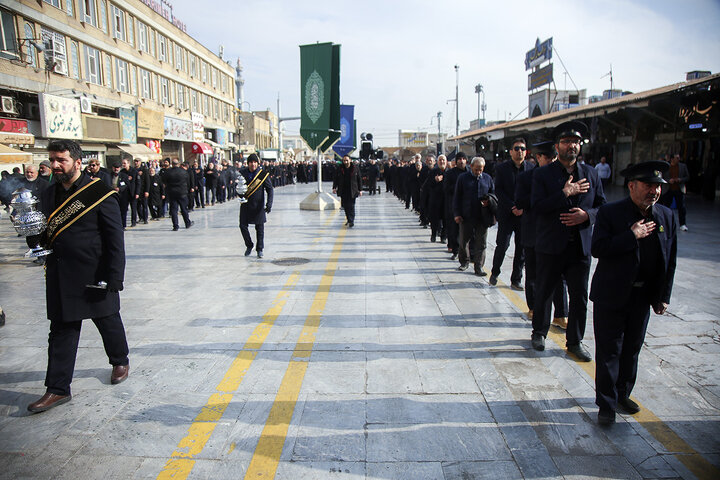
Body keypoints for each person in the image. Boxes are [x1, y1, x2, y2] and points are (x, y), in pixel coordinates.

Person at [28, 139, 129, 414]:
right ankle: (57, 389)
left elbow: (115, 241)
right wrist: (30, 234)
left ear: (77, 162)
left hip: (93, 273)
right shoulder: (48, 195)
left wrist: (114, 277)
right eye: (53, 159)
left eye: (61, 159)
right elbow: (44, 234)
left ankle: (120, 360)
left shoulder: (101, 193)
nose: (55, 165)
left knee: (107, 320)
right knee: (61, 331)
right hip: (61, 275)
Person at [590, 161, 677, 425]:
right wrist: (631, 236)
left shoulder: (666, 216)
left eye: (658, 187)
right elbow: (598, 248)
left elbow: (670, 259)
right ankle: (606, 404)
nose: (654, 191)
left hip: (642, 296)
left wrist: (663, 295)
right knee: (610, 351)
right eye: (648, 185)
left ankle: (622, 394)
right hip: (612, 294)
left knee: (632, 349)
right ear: (631, 186)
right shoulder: (610, 213)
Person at [530, 120, 606, 361]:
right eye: (566, 142)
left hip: (579, 246)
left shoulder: (591, 174)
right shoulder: (543, 175)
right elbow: (537, 206)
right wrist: (564, 194)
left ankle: (575, 341)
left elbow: (601, 206)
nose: (571, 145)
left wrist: (587, 216)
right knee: (544, 291)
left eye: (575, 142)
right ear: (557, 146)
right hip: (551, 245)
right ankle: (539, 332)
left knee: (579, 296)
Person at [515, 140, 569, 326]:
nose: (552, 161)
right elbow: (520, 201)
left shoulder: (561, 177)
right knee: (533, 273)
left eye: (554, 157)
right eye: (548, 157)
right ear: (538, 158)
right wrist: (541, 196)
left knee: (559, 275)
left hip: (554, 231)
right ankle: (534, 307)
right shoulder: (527, 177)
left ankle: (561, 314)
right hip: (532, 230)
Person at [490, 138, 534, 290]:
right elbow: (499, 190)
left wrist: (522, 207)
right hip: (507, 214)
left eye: (522, 148)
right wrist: (512, 206)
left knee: (521, 248)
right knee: (503, 244)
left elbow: (533, 191)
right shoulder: (502, 168)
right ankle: (495, 272)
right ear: (511, 151)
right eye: (516, 148)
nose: (519, 151)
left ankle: (516, 279)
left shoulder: (531, 169)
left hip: (524, 215)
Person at [453, 157, 495, 276]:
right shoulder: (463, 179)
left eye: (481, 170)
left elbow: (493, 194)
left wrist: (489, 201)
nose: (478, 172)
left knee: (481, 243)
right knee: (463, 241)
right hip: (466, 216)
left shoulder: (487, 178)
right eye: (476, 169)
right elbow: (457, 197)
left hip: (482, 217)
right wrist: (457, 213)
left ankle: (479, 266)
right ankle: (464, 262)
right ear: (471, 167)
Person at [239, 153, 273, 257]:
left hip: (258, 205)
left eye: (254, 162)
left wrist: (269, 204)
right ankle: (249, 245)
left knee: (260, 228)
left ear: (258, 163)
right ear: (248, 163)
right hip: (245, 205)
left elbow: (270, 189)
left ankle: (260, 249)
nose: (253, 164)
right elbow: (238, 187)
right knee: (242, 226)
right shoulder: (242, 173)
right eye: (251, 162)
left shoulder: (262, 175)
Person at [444, 152, 468, 260]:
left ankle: (468, 253)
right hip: (454, 205)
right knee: (454, 229)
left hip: (467, 206)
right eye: (459, 159)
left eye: (464, 158)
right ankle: (455, 250)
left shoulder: (470, 172)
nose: (461, 161)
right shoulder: (450, 174)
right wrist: (458, 187)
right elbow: (446, 188)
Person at [162, 158, 194, 231]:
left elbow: (164, 182)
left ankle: (175, 226)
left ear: (172, 164)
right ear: (178, 164)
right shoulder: (184, 172)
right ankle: (187, 223)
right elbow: (188, 182)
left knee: (173, 210)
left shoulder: (168, 172)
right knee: (184, 209)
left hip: (172, 192)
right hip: (182, 192)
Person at [661, 153, 690, 231]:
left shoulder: (683, 166)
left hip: (679, 189)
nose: (678, 159)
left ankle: (682, 224)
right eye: (676, 158)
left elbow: (687, 177)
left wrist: (680, 179)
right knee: (666, 207)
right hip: (668, 189)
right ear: (672, 159)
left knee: (681, 208)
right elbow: (661, 177)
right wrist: (668, 181)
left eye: (678, 157)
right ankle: (665, 223)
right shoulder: (666, 166)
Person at [423, 154, 448, 243]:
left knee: (446, 219)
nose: (442, 162)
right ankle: (433, 234)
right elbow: (427, 185)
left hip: (446, 200)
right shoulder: (433, 172)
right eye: (440, 160)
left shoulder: (449, 172)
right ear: (437, 162)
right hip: (435, 200)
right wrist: (435, 180)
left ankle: (443, 236)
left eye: (443, 160)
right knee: (434, 219)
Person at [333, 155, 362, 228]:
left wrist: (360, 190)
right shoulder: (340, 168)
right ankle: (348, 219)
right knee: (345, 206)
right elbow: (336, 178)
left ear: (350, 160)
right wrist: (334, 187)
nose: (345, 162)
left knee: (351, 206)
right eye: (344, 160)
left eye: (347, 160)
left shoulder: (355, 168)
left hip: (353, 190)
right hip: (343, 190)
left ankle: (351, 221)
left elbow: (359, 179)